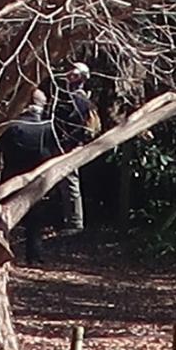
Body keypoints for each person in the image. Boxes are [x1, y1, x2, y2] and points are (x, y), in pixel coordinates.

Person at [0, 90, 61, 264]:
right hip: (37, 178)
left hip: (11, 175)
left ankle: (0, 253)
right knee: (35, 218)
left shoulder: (11, 125)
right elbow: (53, 153)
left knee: (4, 215)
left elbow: (0, 148)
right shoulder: (47, 126)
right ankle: (34, 256)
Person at [53, 61, 99, 234]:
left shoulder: (76, 99)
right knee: (66, 184)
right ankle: (69, 221)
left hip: (69, 146)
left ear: (80, 77)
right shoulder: (81, 98)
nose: (67, 75)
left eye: (72, 73)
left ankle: (75, 224)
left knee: (70, 184)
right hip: (72, 145)